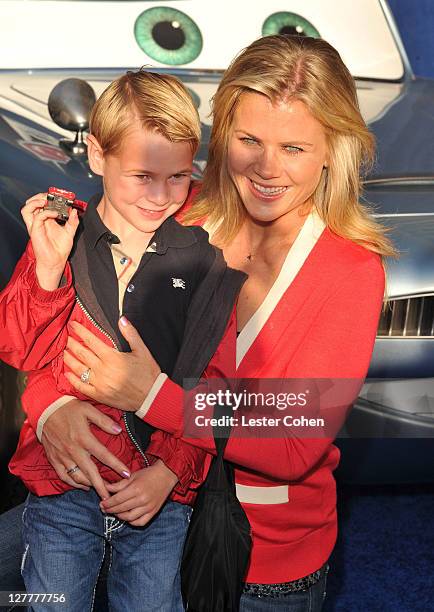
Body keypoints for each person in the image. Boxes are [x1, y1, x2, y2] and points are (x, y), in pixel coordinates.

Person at [1, 35, 395, 611]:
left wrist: (153, 395)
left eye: (294, 147)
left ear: (335, 149)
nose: (266, 168)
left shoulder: (352, 270)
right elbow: (70, 323)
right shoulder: (174, 203)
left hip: (255, 553)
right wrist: (52, 407)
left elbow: (295, 429)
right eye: (248, 140)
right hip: (107, 493)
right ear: (221, 131)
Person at [0, 68, 244, 611]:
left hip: (155, 495)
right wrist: (44, 269)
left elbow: (212, 381)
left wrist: (170, 472)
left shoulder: (205, 257)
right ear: (95, 154)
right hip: (62, 486)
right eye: (141, 175)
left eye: (179, 176)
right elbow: (22, 350)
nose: (161, 197)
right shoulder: (64, 236)